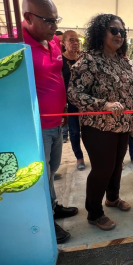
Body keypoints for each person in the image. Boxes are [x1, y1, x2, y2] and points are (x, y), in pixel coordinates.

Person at [68, 13, 133, 231]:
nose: (119, 35)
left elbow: (128, 90)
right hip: (98, 127)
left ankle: (112, 198)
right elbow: (73, 94)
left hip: (123, 124)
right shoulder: (89, 60)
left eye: (122, 31)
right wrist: (104, 105)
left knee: (116, 165)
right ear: (101, 32)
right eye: (114, 30)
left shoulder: (123, 61)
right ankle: (94, 212)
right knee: (102, 168)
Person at [21, 0, 78, 244]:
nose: (55, 27)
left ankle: (53, 206)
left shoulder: (52, 41)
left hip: (57, 120)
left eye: (56, 20)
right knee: (42, 174)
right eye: (48, 21)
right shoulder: (15, 42)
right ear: (28, 17)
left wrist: (64, 109)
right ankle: (46, 220)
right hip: (37, 125)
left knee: (52, 169)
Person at [61, 30, 85, 170]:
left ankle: (93, 155)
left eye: (77, 40)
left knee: (88, 131)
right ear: (63, 42)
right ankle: (79, 158)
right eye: (71, 40)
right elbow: (60, 82)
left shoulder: (84, 57)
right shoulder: (60, 60)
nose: (75, 43)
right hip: (70, 102)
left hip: (86, 101)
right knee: (74, 131)